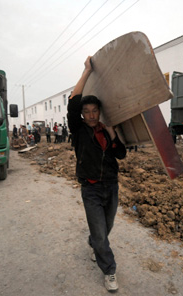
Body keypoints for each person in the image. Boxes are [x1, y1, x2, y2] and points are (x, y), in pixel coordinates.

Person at [67, 56, 126, 292]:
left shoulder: (105, 130)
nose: (91, 115)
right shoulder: (78, 130)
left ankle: (94, 243)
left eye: (95, 111)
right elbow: (73, 103)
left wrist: (112, 131)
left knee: (105, 227)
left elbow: (120, 154)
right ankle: (109, 270)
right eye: (87, 112)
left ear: (99, 112)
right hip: (90, 187)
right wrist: (86, 71)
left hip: (111, 186)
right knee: (102, 234)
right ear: (83, 114)